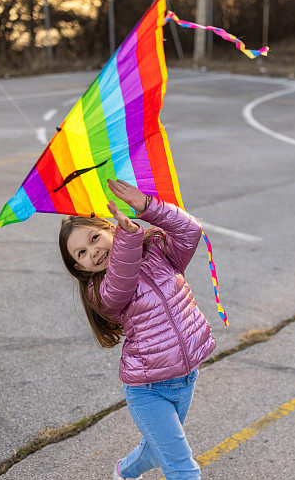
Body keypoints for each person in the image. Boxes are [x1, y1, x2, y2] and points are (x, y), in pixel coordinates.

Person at [58, 178, 216, 480]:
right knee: (182, 467)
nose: (91, 251)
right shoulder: (99, 290)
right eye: (80, 253)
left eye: (93, 238)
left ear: (109, 228)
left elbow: (191, 231)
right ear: (81, 268)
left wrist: (147, 206)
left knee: (159, 449)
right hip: (147, 390)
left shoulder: (158, 251)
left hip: (185, 378)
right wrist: (128, 238)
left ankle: (124, 471)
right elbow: (122, 280)